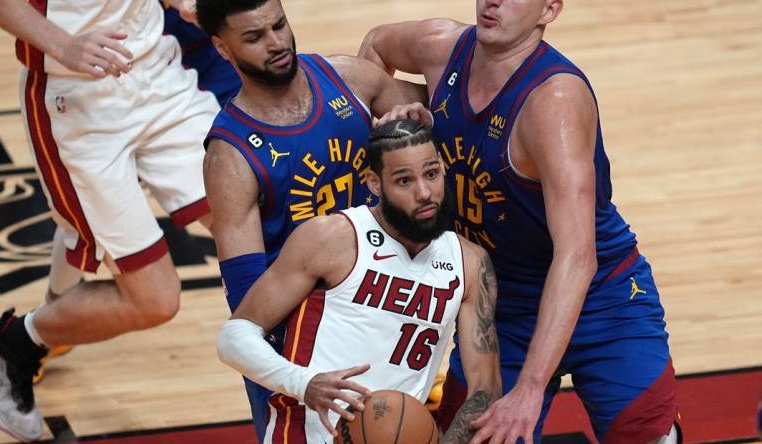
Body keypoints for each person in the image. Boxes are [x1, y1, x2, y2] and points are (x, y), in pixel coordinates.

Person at [359, 1, 678, 443]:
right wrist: (402, 142)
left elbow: (577, 256)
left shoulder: (554, 101)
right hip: (501, 305)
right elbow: (375, 48)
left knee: (646, 437)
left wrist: (529, 389)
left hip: (600, 300)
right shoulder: (440, 46)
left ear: (549, 10)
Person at [0, 0, 220, 441]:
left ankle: (294, 381)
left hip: (162, 76)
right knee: (155, 301)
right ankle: (11, 343)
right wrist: (62, 45)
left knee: (248, 220)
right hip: (77, 99)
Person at [195, 0, 430, 440]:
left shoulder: (351, 79)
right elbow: (247, 299)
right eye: (254, 37)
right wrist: (293, 381)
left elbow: (444, 113)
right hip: (313, 341)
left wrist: (422, 122)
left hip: (396, 308)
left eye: (279, 25)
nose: (277, 43)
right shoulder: (230, 156)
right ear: (221, 49)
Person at [217, 119, 501, 443]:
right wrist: (304, 383)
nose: (424, 192)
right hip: (307, 435)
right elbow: (234, 336)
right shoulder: (332, 237)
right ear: (375, 183)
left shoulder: (469, 262)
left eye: (432, 174)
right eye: (404, 180)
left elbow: (484, 389)